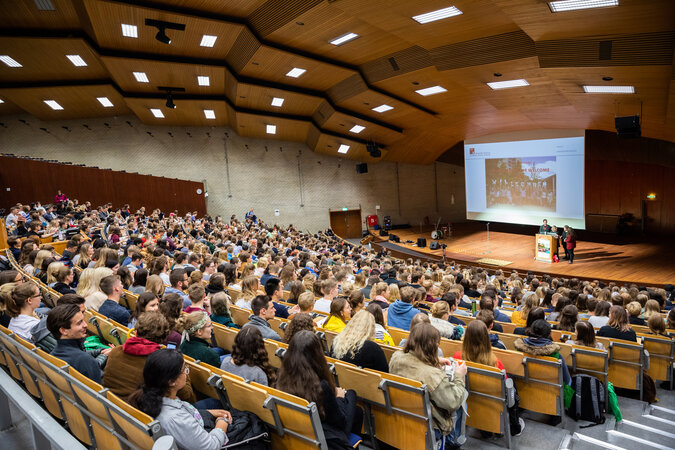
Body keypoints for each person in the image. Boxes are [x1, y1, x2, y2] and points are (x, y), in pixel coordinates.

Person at [128, 349, 231, 450]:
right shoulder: (175, 419)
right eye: (184, 369)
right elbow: (211, 446)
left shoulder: (148, 396)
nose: (187, 373)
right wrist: (222, 421)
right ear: (171, 382)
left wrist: (208, 413)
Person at [277, 330, 363, 448]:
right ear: (317, 354)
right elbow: (339, 422)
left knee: (357, 411)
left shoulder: (283, 378)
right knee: (351, 394)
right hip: (323, 436)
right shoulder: (321, 386)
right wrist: (339, 397)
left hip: (300, 431)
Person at [389, 323, 468, 447]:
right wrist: (459, 376)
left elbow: (415, 364)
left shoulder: (396, 357)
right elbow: (453, 402)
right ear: (433, 346)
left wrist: (434, 360)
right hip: (429, 425)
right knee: (462, 402)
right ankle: (453, 442)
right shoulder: (432, 376)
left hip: (402, 415)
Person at [103, 311, 196, 403]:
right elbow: (187, 396)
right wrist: (182, 368)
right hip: (139, 410)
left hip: (109, 404)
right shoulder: (163, 364)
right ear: (164, 338)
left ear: (136, 333)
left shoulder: (115, 351)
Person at [453, 320, 525, 436]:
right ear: (486, 338)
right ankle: (515, 426)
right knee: (512, 389)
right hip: (492, 401)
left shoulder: (457, 357)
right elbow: (505, 389)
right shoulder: (495, 363)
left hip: (470, 398)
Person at [47, 304, 110, 383]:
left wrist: (101, 352)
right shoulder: (83, 360)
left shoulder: (53, 354)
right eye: (79, 323)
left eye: (83, 320)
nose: (85, 325)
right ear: (63, 330)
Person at [514, 319, 571, 386]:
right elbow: (567, 381)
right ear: (549, 334)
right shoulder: (555, 355)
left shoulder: (519, 350)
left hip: (524, 388)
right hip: (549, 390)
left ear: (530, 331)